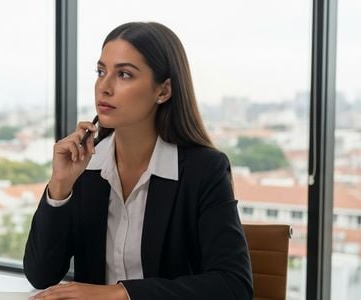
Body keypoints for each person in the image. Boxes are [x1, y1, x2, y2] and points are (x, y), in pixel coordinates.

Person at [24, 22, 253, 300]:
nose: (104, 87)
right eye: (100, 72)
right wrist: (60, 185)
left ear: (163, 91)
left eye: (124, 74)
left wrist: (120, 294)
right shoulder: (86, 166)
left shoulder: (203, 170)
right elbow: (41, 274)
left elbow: (234, 286)